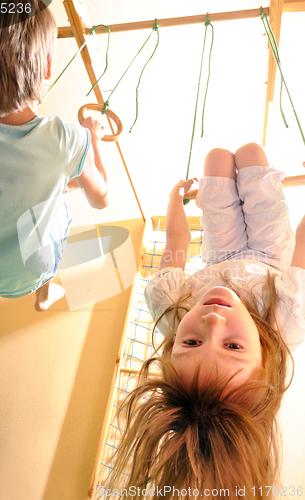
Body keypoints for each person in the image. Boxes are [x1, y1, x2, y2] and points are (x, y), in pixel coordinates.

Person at [104, 143, 305, 500]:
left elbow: (177, 243)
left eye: (191, 343)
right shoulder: (287, 321)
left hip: (221, 251)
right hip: (271, 252)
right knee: (252, 154)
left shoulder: (171, 311)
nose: (212, 321)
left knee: (216, 158)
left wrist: (174, 204)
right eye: (232, 346)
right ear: (263, 363)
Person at [0, 1, 110, 311]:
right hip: (29, 275)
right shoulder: (68, 139)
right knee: (58, 214)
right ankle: (45, 296)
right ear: (48, 67)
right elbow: (102, 199)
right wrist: (94, 138)